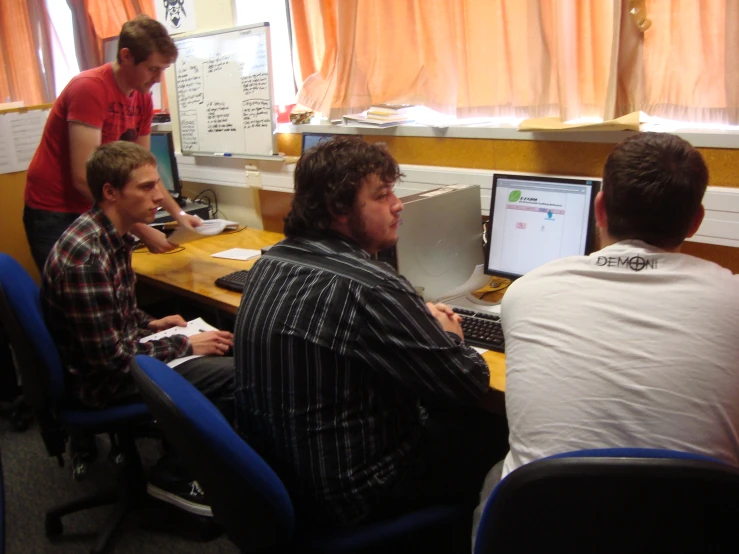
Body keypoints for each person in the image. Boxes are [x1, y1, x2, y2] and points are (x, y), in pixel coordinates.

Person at [234, 136, 508, 547]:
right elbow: (467, 379)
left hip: (280, 477)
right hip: (350, 493)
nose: (398, 205)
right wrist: (449, 336)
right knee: (498, 434)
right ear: (338, 208)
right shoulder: (371, 286)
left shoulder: (273, 259)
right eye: (382, 196)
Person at [472, 132, 739, 544]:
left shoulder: (527, 291)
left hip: (546, 532)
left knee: (495, 474)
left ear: (599, 208)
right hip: (690, 529)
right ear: (696, 220)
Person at [41, 141, 235, 516]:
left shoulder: (108, 235)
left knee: (224, 346)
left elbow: (116, 311)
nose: (159, 197)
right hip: (101, 384)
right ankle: (173, 476)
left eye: (157, 185)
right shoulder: (86, 259)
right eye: (146, 187)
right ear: (110, 193)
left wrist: (151, 322)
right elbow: (111, 361)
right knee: (234, 374)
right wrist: (184, 344)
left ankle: (190, 453)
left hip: (112, 355)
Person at [24, 14, 198, 272]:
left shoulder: (142, 98)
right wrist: (142, 230)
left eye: (163, 70)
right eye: (153, 69)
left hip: (98, 205)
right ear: (126, 56)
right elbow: (83, 178)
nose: (158, 79)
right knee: (74, 299)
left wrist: (179, 215)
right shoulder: (90, 88)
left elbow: (144, 170)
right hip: (56, 209)